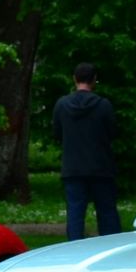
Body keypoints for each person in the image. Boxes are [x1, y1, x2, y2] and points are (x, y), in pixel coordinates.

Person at [52, 62, 121, 241]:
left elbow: (57, 133)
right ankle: (112, 245)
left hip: (73, 167)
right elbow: (113, 133)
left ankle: (75, 248)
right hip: (101, 167)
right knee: (107, 213)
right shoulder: (103, 105)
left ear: (74, 79)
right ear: (94, 79)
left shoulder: (62, 105)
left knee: (75, 214)